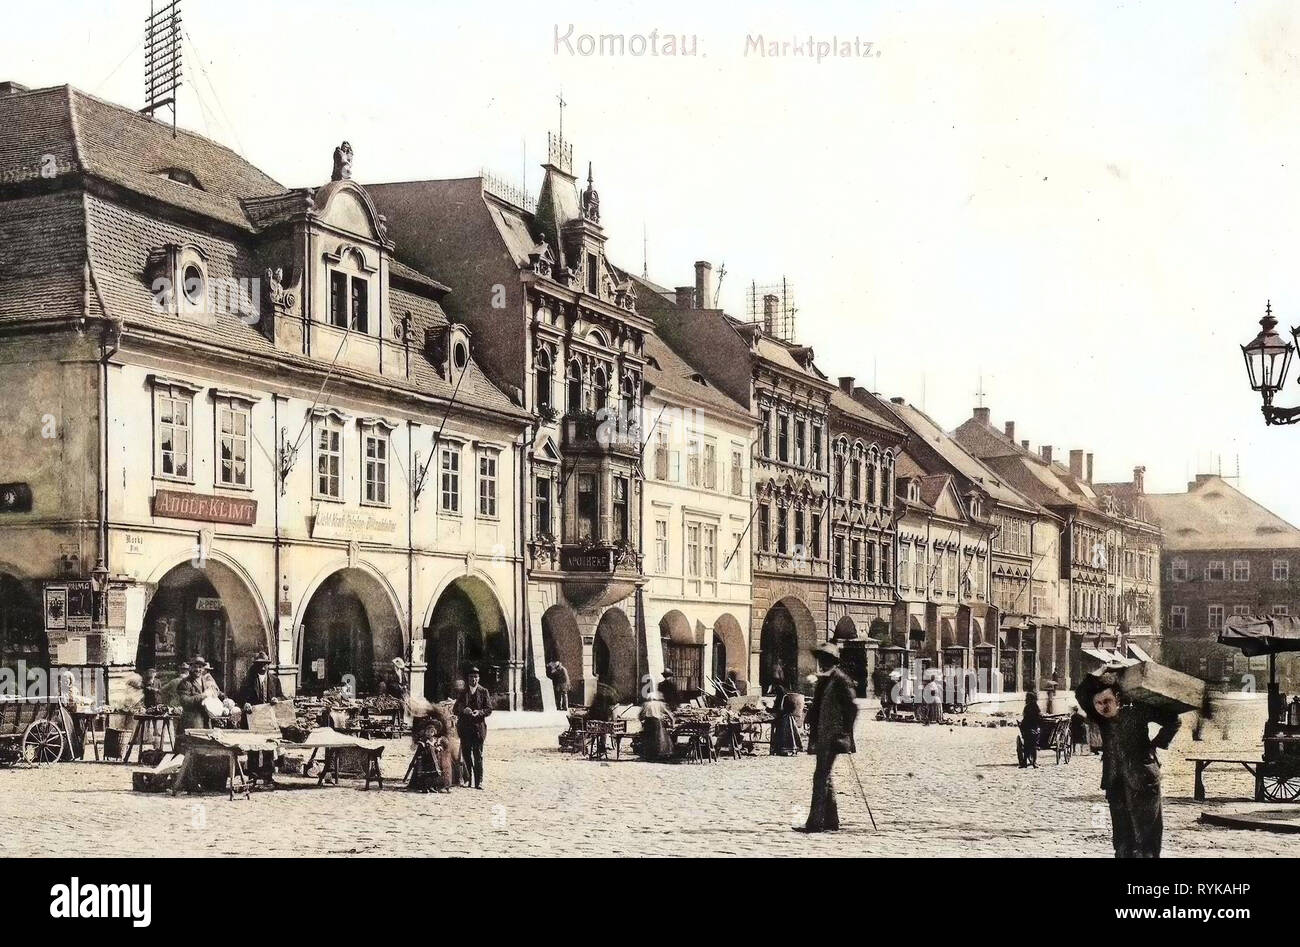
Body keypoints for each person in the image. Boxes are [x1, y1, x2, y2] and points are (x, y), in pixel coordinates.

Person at [1076, 672, 1181, 858]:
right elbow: (1081, 693)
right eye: (1098, 703)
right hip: (1115, 782)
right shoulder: (1103, 719)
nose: (1102, 707)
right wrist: (1101, 672)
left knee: (1146, 836)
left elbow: (1174, 720)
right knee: (1122, 838)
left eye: (1107, 701)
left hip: (1143, 780)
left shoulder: (1138, 710)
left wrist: (1155, 744)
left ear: (1117, 697)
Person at [804, 642, 858, 833]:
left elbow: (852, 707)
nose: (821, 662)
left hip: (833, 735)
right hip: (823, 735)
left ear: (833, 661)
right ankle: (831, 821)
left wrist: (846, 732)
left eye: (825, 659)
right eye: (820, 658)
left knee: (820, 777)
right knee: (824, 776)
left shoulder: (841, 679)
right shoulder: (826, 680)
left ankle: (814, 823)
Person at [453, 666, 493, 789]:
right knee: (466, 754)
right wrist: (463, 709)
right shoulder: (462, 692)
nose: (473, 680)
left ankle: (479, 781)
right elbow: (455, 709)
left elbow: (489, 709)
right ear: (468, 678)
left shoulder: (483, 691)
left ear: (479, 678)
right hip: (465, 728)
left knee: (478, 755)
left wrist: (479, 712)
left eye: (476, 677)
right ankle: (468, 780)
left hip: (478, 729)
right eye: (471, 677)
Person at [177, 657, 224, 730]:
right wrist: (203, 695)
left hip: (206, 720)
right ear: (190, 668)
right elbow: (185, 701)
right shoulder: (185, 683)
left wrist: (217, 694)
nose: (198, 670)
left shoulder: (205, 680)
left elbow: (216, 693)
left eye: (200, 667)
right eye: (195, 667)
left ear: (203, 669)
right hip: (191, 721)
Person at [637, 688, 675, 762]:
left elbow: (640, 715)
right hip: (657, 722)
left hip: (648, 722)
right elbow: (669, 714)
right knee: (658, 738)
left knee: (649, 738)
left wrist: (641, 722)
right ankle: (659, 755)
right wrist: (672, 723)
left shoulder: (645, 704)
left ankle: (649, 756)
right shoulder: (660, 704)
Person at [769, 677, 802, 756]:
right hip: (784, 717)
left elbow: (780, 709)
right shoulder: (782, 697)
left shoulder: (783, 698)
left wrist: (769, 709)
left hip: (785, 718)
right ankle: (782, 750)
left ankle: (785, 750)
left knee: (785, 734)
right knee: (785, 734)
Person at [1019, 691, 1043, 768]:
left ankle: (1025, 762)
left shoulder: (1028, 706)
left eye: (1027, 698)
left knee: (1027, 746)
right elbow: (1039, 717)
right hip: (1033, 728)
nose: (1026, 699)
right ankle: (1034, 762)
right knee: (1033, 746)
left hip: (1028, 728)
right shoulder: (1035, 706)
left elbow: (1025, 717)